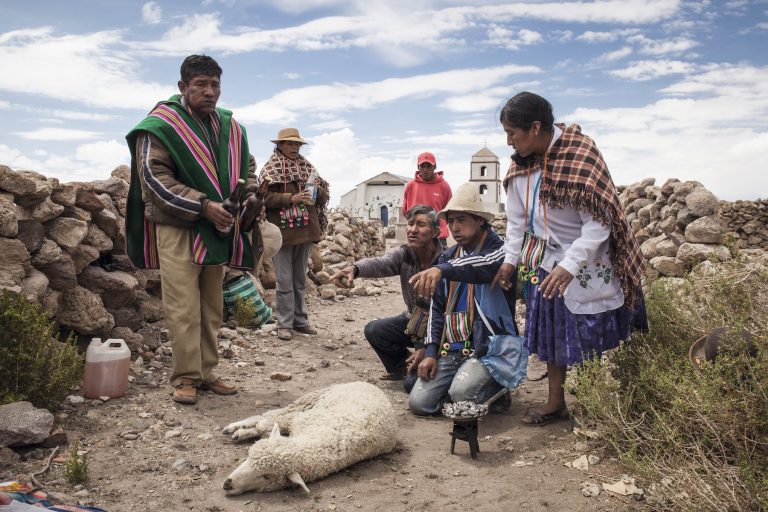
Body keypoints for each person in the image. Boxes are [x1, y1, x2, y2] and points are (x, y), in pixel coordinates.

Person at [488, 91, 648, 425]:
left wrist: (570, 265)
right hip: (545, 263)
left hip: (587, 262)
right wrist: (509, 260)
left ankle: (595, 403)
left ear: (535, 127)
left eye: (512, 134)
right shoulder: (520, 169)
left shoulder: (580, 156)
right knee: (553, 335)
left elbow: (600, 222)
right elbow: (517, 222)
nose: (508, 142)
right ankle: (556, 403)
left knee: (588, 335)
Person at [125, 55, 253, 405]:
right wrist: (203, 205)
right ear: (183, 87)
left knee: (211, 303)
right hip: (179, 225)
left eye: (215, 85)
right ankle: (185, 376)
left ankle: (207, 372)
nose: (210, 92)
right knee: (182, 305)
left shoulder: (229, 127)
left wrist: (244, 197)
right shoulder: (161, 125)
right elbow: (154, 178)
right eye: (201, 85)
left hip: (217, 227)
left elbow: (248, 167)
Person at [406, 183, 519, 415]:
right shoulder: (449, 257)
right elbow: (436, 310)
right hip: (454, 347)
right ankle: (461, 393)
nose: (455, 228)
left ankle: (499, 387)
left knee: (461, 393)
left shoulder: (500, 252)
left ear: (480, 220)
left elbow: (478, 266)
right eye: (451, 221)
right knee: (419, 403)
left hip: (489, 349)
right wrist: (430, 352)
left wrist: (442, 270)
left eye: (462, 220)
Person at [330, 205, 443, 384]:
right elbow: (382, 263)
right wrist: (355, 269)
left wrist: (426, 347)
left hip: (440, 330)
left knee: (413, 386)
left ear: (435, 232)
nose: (413, 230)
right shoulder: (406, 254)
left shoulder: (445, 261)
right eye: (411, 224)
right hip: (414, 324)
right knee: (375, 330)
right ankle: (402, 367)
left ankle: (425, 364)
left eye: (420, 225)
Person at [260, 128, 329, 341]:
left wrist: (318, 192)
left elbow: (321, 197)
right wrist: (291, 198)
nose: (294, 148)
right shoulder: (270, 169)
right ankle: (284, 323)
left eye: (297, 144)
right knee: (283, 279)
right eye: (290, 144)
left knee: (300, 278)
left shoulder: (308, 168)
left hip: (305, 229)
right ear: (279, 145)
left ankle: (300, 321)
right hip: (282, 232)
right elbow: (264, 197)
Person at [401, 152, 452, 246]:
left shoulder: (444, 186)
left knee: (441, 261)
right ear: (418, 167)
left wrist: (438, 224)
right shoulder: (410, 185)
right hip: (416, 236)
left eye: (429, 166)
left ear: (435, 167)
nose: (425, 169)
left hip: (438, 237)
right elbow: (405, 211)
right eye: (422, 166)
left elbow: (449, 211)